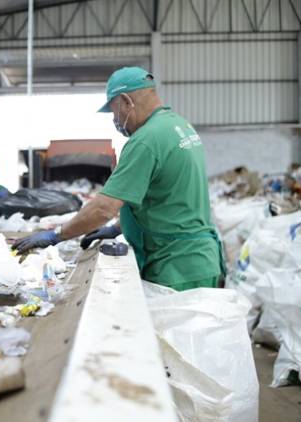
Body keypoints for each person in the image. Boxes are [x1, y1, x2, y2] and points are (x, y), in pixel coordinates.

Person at [13, 67, 225, 292]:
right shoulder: (179, 126)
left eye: (114, 112)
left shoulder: (145, 140)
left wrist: (57, 234)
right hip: (199, 260)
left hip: (176, 266)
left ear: (126, 101)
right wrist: (118, 227)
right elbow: (167, 196)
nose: (115, 120)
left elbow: (104, 208)